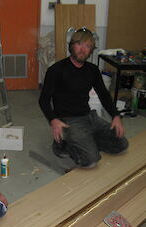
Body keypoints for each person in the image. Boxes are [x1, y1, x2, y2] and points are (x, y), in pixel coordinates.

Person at [39, 28, 128, 169]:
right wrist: (53, 120)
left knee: (121, 144)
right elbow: (43, 100)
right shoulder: (56, 70)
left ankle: (85, 141)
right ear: (71, 46)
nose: (83, 49)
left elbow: (104, 95)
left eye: (88, 46)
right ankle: (61, 146)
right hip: (68, 121)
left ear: (91, 50)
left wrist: (116, 115)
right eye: (79, 44)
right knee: (91, 160)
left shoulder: (92, 70)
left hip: (89, 117)